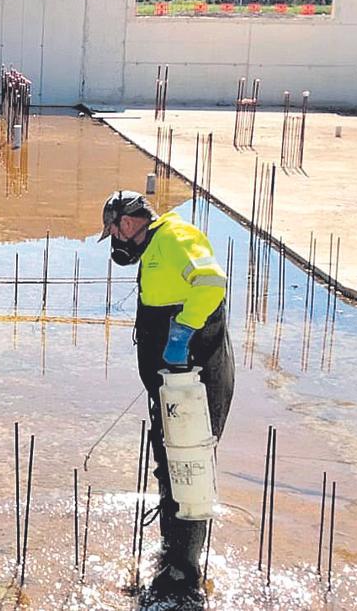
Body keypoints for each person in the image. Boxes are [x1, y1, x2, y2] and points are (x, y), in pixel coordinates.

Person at [98, 190, 235, 603]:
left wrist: (184, 330)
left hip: (195, 381)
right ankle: (172, 554)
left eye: (113, 232)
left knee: (189, 468)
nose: (115, 241)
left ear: (127, 223)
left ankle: (183, 575)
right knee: (169, 465)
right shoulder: (155, 246)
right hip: (173, 385)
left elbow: (212, 282)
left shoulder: (175, 237)